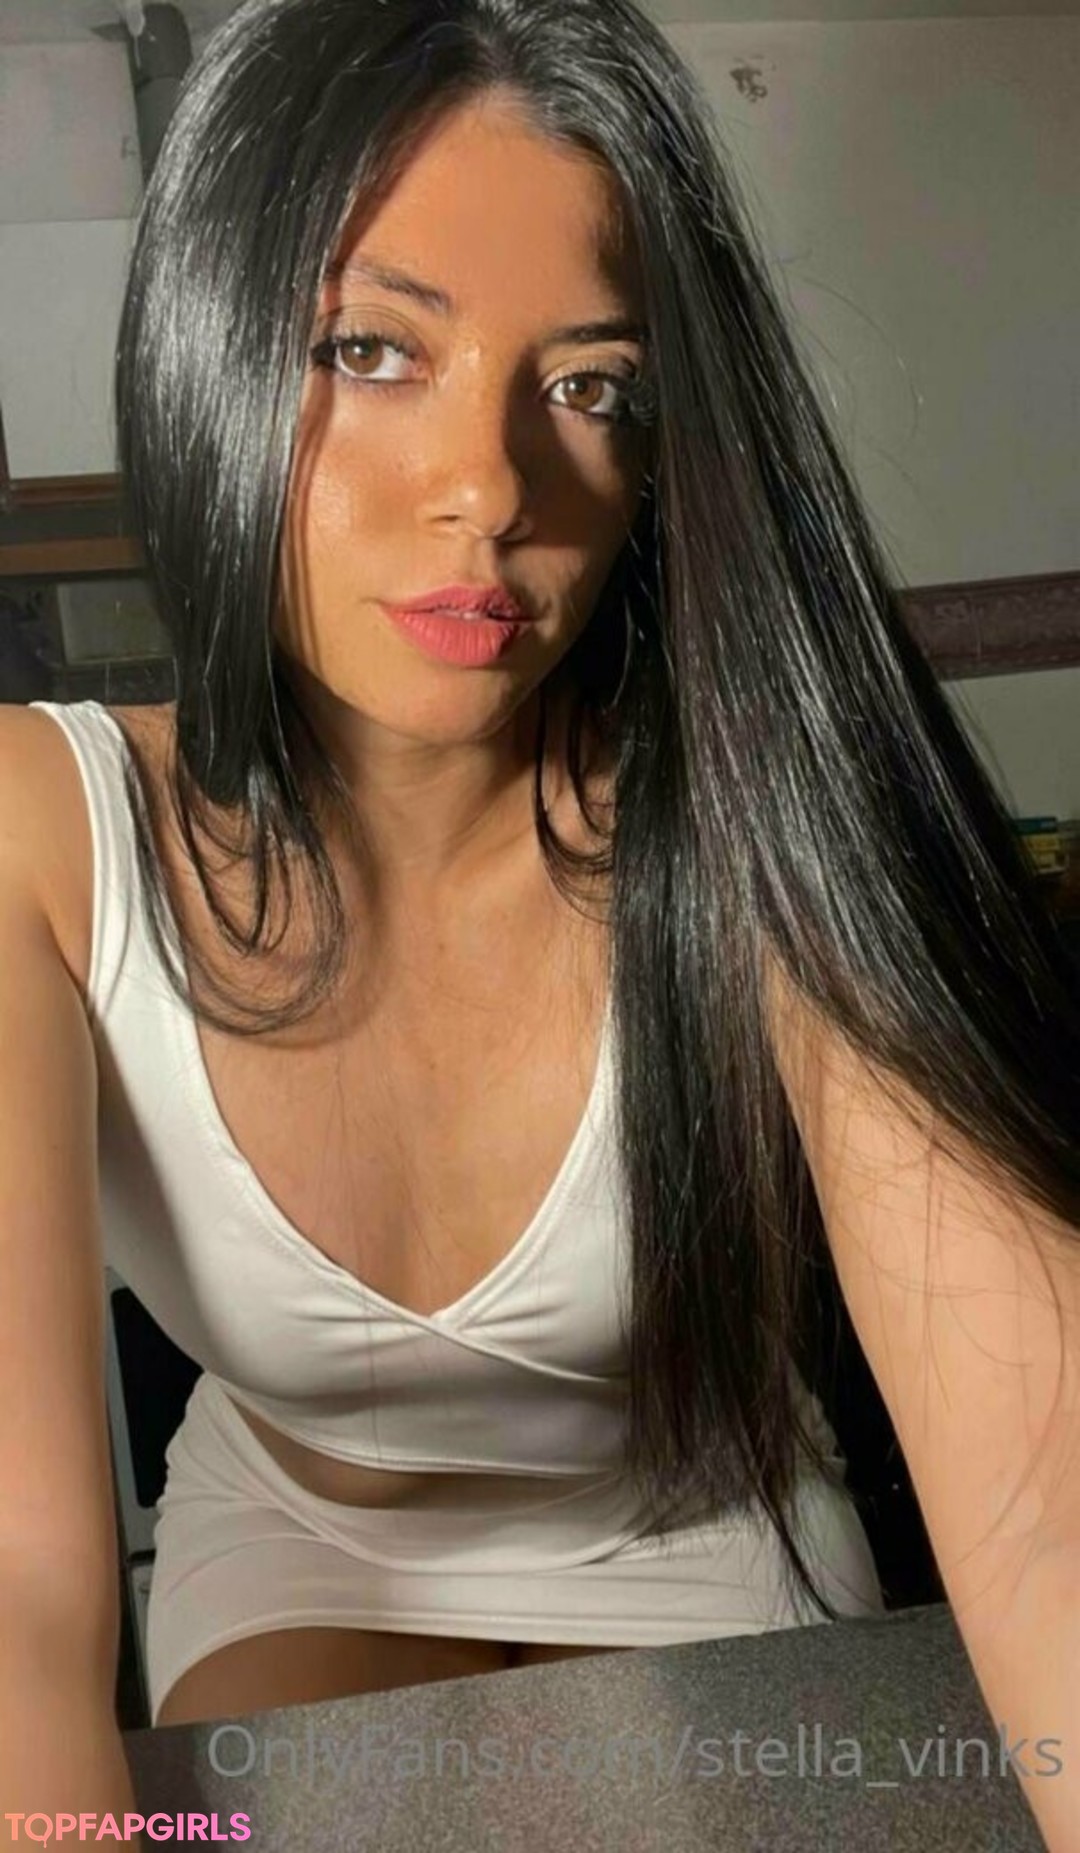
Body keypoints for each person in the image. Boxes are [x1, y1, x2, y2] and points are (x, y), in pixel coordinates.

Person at [0, 0, 1076, 1846]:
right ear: (206, 345)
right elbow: (16, 1598)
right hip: (305, 1537)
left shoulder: (749, 814)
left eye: (592, 387)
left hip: (714, 1520)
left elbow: (1048, 1497)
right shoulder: (46, 835)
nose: (495, 489)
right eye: (371, 349)